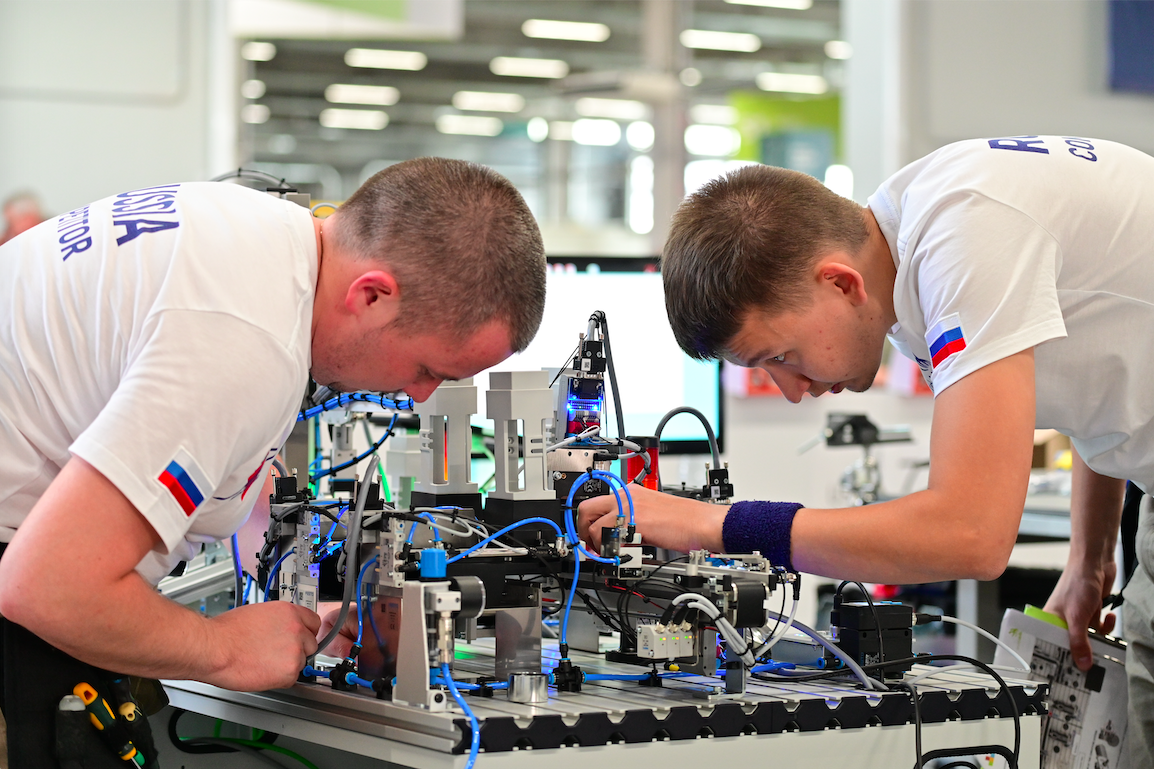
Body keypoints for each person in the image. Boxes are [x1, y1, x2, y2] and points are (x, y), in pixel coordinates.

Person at [577, 135, 1154, 763]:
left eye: (781, 357)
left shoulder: (966, 240)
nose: (791, 392)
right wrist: (1089, 559)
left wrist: (717, 525)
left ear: (840, 283)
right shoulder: (905, 246)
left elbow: (972, 534)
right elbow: (1099, 377)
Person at [0, 157, 546, 767]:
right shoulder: (244, 341)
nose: (419, 396)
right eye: (427, 370)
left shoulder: (265, 239)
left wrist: (287, 621)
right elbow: (44, 586)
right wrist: (221, 647)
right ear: (370, 294)